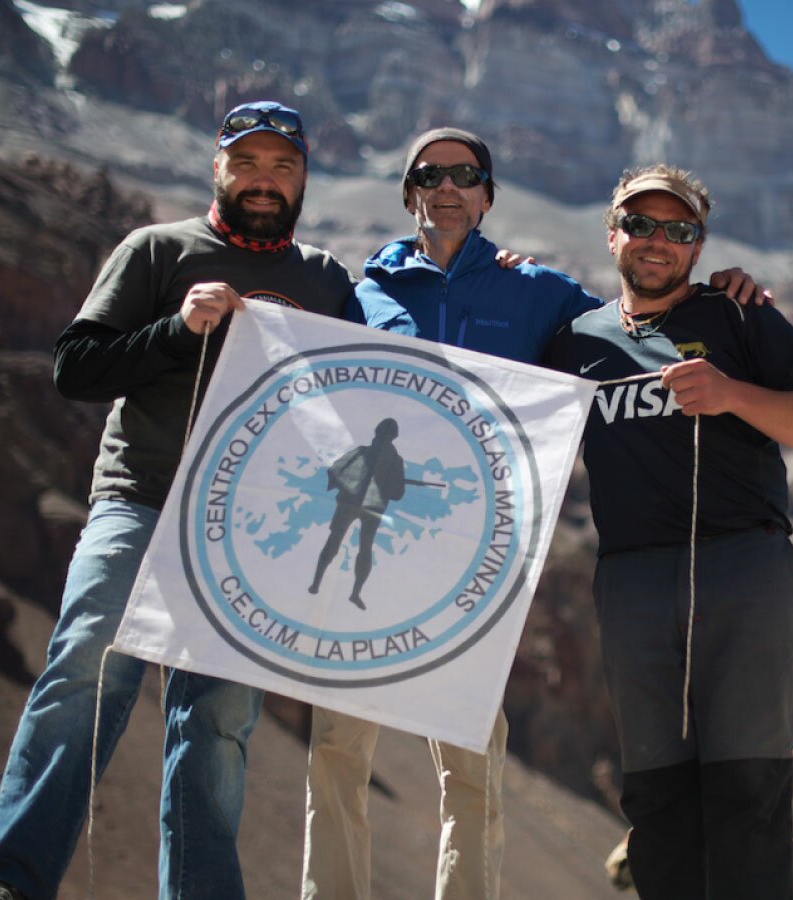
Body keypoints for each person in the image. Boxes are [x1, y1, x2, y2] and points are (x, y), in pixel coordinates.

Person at [304, 127, 769, 900]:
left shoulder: (538, 292)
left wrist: (724, 296)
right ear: (410, 191)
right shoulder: (368, 291)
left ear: (486, 196)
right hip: (376, 550)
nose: (448, 186)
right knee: (337, 749)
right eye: (430, 174)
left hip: (470, 559)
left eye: (466, 175)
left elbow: (638, 324)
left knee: (472, 768)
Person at [0, 101, 411, 900]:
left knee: (216, 728)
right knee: (82, 680)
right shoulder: (157, 250)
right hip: (138, 502)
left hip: (250, 534)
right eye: (248, 162)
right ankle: (9, 880)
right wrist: (178, 329)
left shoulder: (322, 280)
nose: (265, 180)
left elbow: (374, 388)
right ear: (219, 166)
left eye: (282, 166)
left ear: (304, 176)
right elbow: (75, 368)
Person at [543, 164, 793, 899]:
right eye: (640, 224)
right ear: (611, 233)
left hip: (744, 569)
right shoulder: (574, 342)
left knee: (749, 788)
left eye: (678, 230)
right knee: (654, 798)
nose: (657, 242)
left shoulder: (740, 318)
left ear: (698, 247)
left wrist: (732, 394)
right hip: (634, 584)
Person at [309, 418, 407, 608]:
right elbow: (336, 470)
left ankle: (350, 592)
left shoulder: (387, 458)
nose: (382, 438)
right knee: (338, 542)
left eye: (385, 435)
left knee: (360, 547)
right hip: (354, 503)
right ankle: (318, 583)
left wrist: (386, 483)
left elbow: (397, 493)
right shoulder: (367, 454)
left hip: (367, 506)